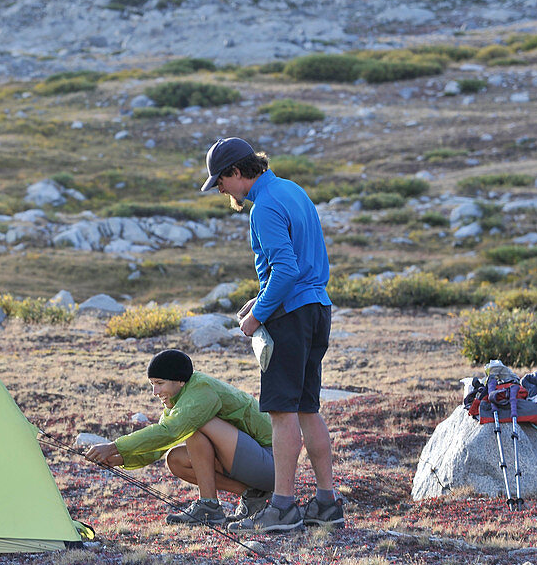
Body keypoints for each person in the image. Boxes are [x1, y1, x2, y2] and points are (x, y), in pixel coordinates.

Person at [200, 136, 344, 533]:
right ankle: (327, 503)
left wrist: (256, 316)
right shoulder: (292, 191)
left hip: (290, 317)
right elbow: (300, 264)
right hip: (317, 309)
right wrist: (259, 299)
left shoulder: (262, 208)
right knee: (307, 408)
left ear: (235, 172)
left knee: (282, 414)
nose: (221, 191)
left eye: (221, 182)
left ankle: (281, 507)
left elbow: (285, 270)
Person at [84, 349, 276, 526]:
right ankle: (252, 495)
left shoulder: (201, 391)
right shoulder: (182, 399)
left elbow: (169, 431)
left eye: (160, 384)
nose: (155, 392)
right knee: (176, 460)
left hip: (274, 465)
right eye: (152, 384)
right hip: (254, 464)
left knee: (195, 427)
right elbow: (160, 443)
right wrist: (120, 459)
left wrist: (113, 446)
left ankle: (208, 506)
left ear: (180, 381)